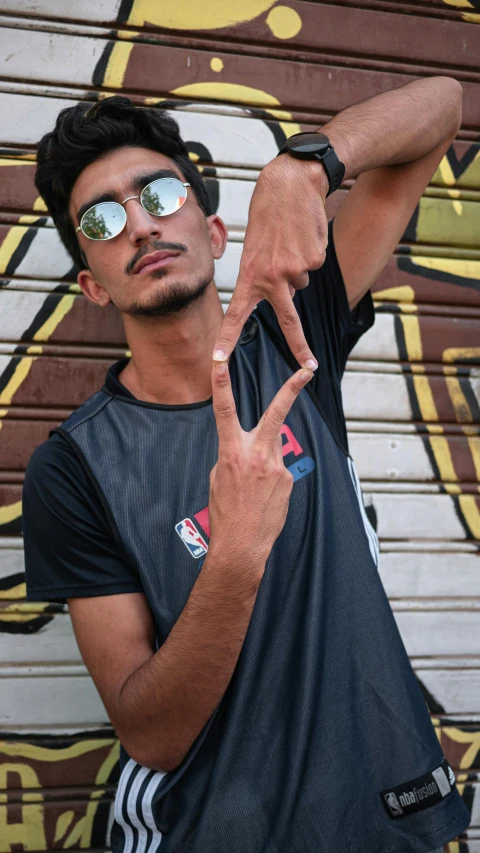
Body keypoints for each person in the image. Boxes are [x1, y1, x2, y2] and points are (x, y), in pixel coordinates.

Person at [23, 79, 469, 853]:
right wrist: (233, 553)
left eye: (159, 193)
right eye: (101, 218)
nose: (139, 224)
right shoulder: (73, 468)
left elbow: (443, 104)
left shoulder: (299, 336)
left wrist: (304, 167)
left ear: (217, 229)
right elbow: (151, 733)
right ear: (93, 283)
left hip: (393, 824)